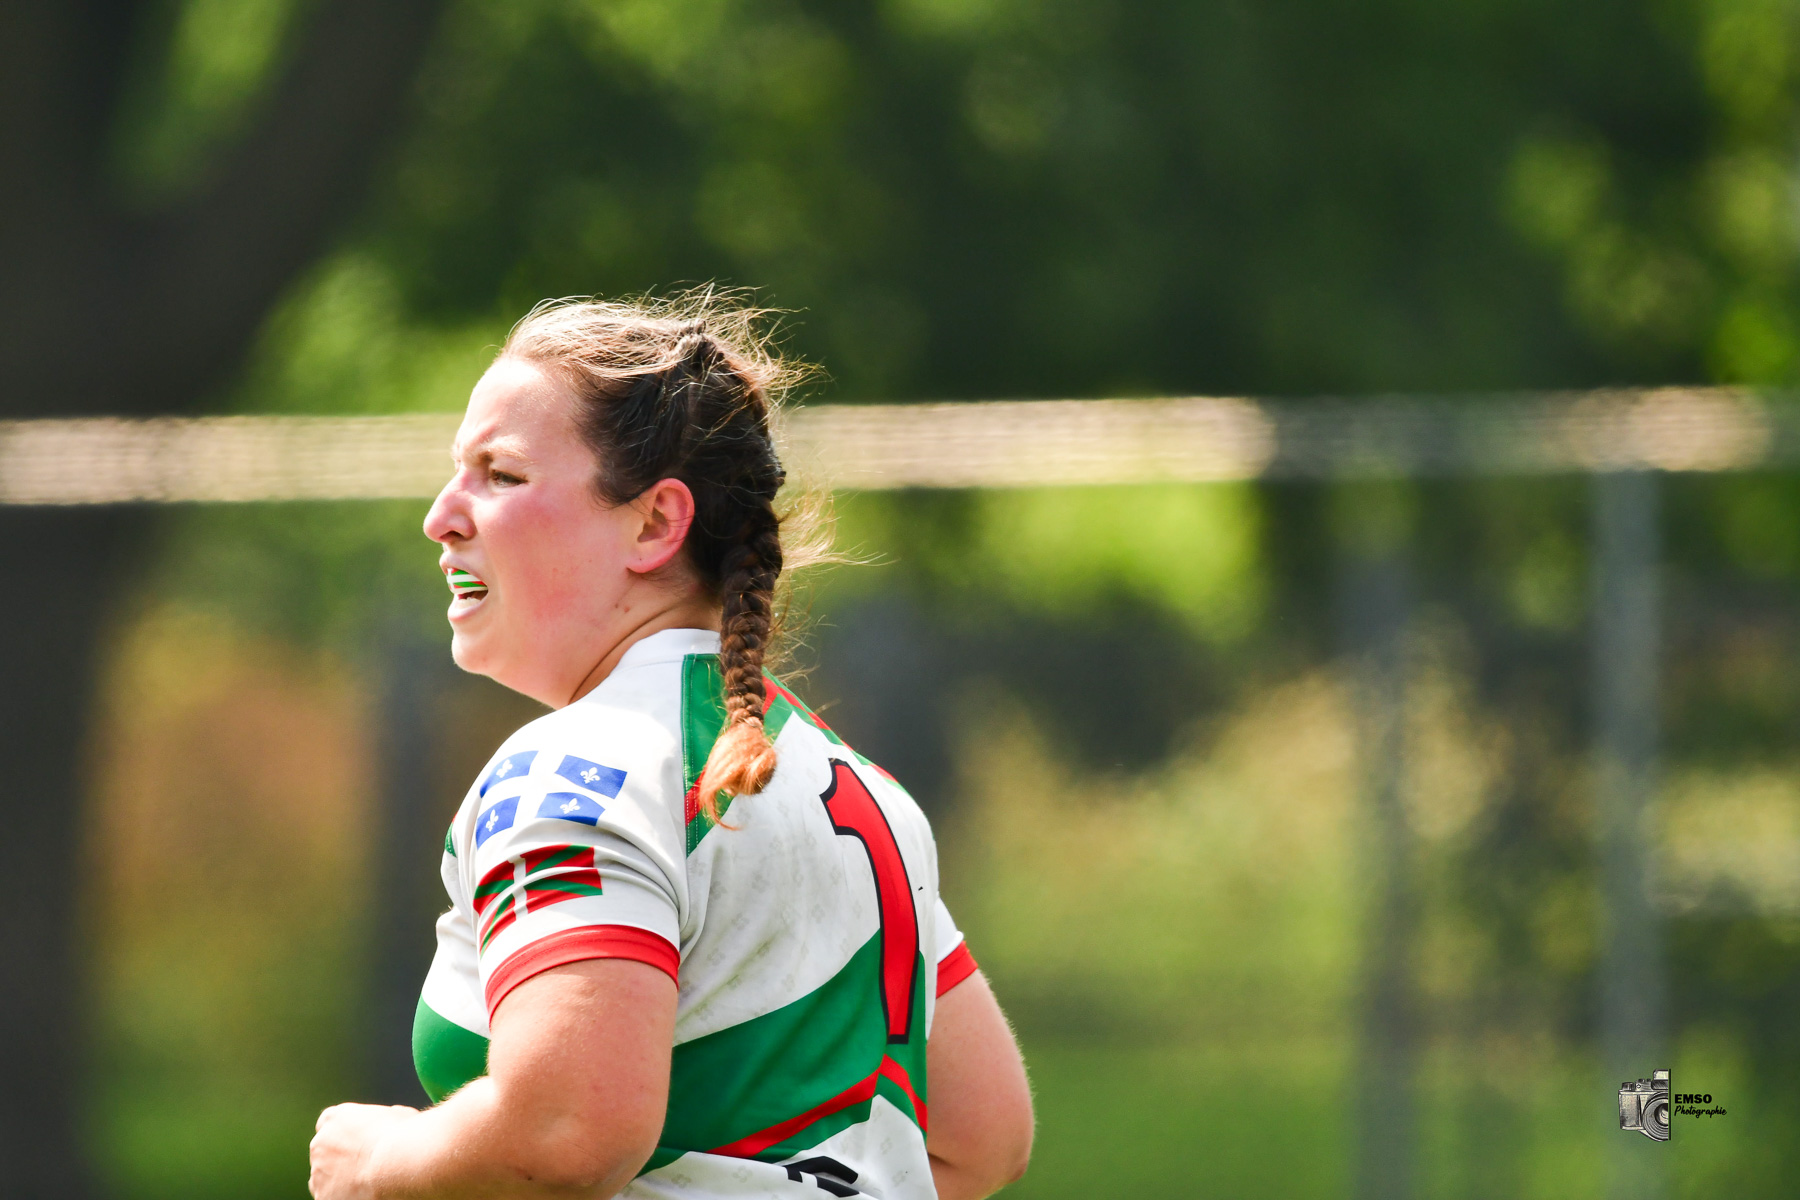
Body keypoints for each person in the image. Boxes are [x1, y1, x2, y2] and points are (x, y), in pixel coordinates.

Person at [309, 294, 1034, 1200]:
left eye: (500, 475)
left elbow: (569, 1131)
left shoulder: (575, 766)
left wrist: (381, 1165)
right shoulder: (859, 788)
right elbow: (982, 1140)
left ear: (655, 523)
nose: (442, 516)